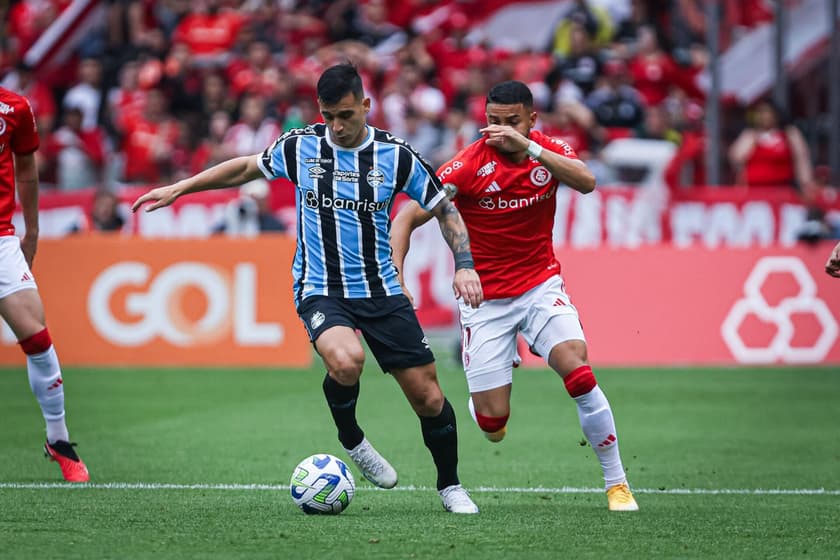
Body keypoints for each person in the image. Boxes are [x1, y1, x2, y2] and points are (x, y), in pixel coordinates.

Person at [132, 63, 483, 514]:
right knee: (346, 359)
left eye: (345, 115)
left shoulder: (397, 156)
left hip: (380, 288)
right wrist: (182, 188)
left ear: (366, 106)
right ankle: (352, 439)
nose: (336, 126)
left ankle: (450, 486)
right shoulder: (302, 147)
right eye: (327, 115)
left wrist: (465, 265)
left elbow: (444, 211)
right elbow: (245, 168)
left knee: (428, 396)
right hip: (320, 286)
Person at [391, 80, 638, 512]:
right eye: (492, 122)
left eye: (511, 122)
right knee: (493, 425)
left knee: (578, 371)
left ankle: (617, 484)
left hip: (540, 286)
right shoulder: (468, 165)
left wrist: (532, 148)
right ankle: (491, 386)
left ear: (531, 119)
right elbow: (406, 218)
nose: (500, 131)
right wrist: (397, 273)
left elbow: (587, 181)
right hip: (485, 302)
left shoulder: (547, 150)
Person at [0, 87, 90, 482]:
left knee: (37, 337)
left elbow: (26, 170)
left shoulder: (14, 107)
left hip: (1, 240)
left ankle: (59, 440)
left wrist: (32, 233)